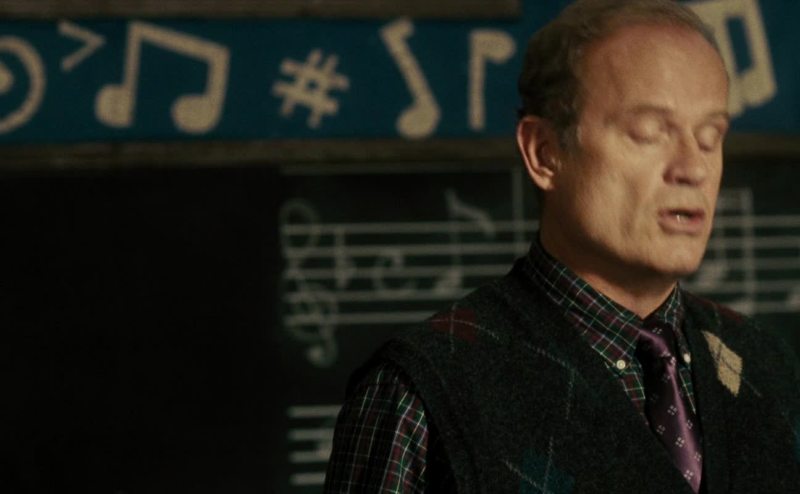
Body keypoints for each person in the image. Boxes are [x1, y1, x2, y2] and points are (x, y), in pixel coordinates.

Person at [324, 0, 800, 492]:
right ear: (545, 153)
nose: (693, 168)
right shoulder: (424, 389)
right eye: (650, 132)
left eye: (710, 136)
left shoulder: (766, 364)